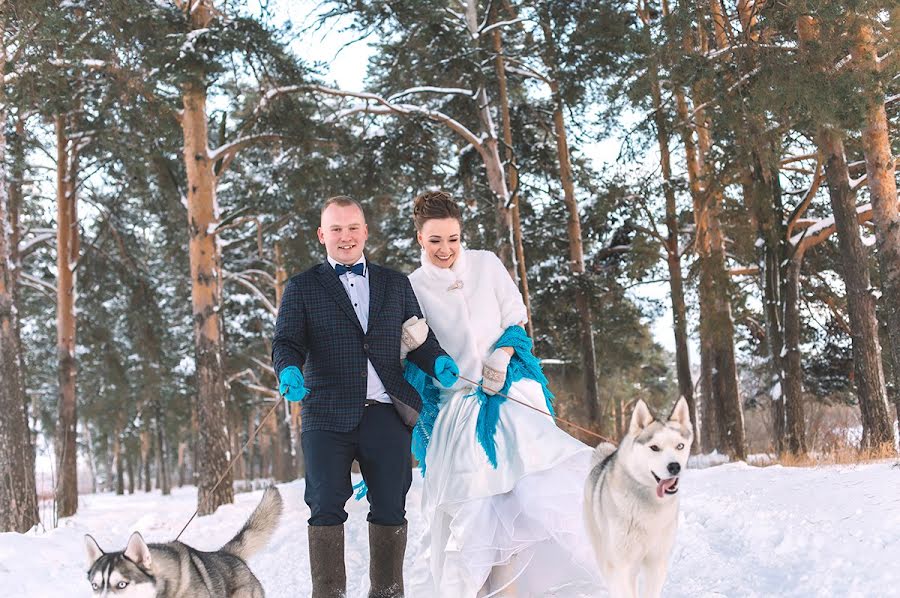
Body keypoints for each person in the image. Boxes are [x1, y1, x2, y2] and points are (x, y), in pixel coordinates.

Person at [404, 191, 598, 597]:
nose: (446, 249)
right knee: (477, 511)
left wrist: (503, 354)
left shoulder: (487, 264)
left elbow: (515, 315)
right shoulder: (413, 287)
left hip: (508, 395)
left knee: (525, 496)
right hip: (457, 408)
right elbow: (412, 357)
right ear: (419, 238)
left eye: (453, 238)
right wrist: (414, 346)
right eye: (435, 240)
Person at [272, 195, 459, 598]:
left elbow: (419, 338)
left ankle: (388, 593)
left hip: (386, 411)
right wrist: (288, 369)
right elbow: (286, 341)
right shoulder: (302, 287)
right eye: (336, 229)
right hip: (326, 413)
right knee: (324, 505)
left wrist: (438, 360)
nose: (346, 237)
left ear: (365, 232)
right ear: (322, 235)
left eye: (353, 227)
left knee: (392, 504)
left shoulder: (396, 283)